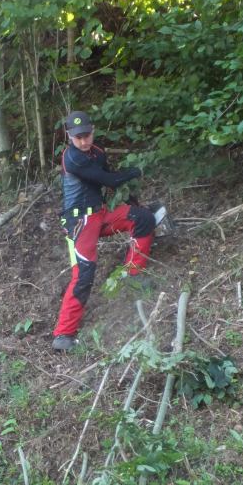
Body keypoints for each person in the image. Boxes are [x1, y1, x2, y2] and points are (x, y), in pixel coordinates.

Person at [52, 110, 165, 351]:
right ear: (69, 136)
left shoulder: (97, 152)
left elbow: (112, 180)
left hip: (100, 214)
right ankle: (63, 334)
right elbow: (110, 180)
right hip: (79, 222)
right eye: (78, 137)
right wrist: (135, 171)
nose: (83, 141)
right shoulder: (73, 158)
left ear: (93, 131)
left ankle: (133, 276)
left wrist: (134, 202)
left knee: (143, 218)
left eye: (87, 135)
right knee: (84, 273)